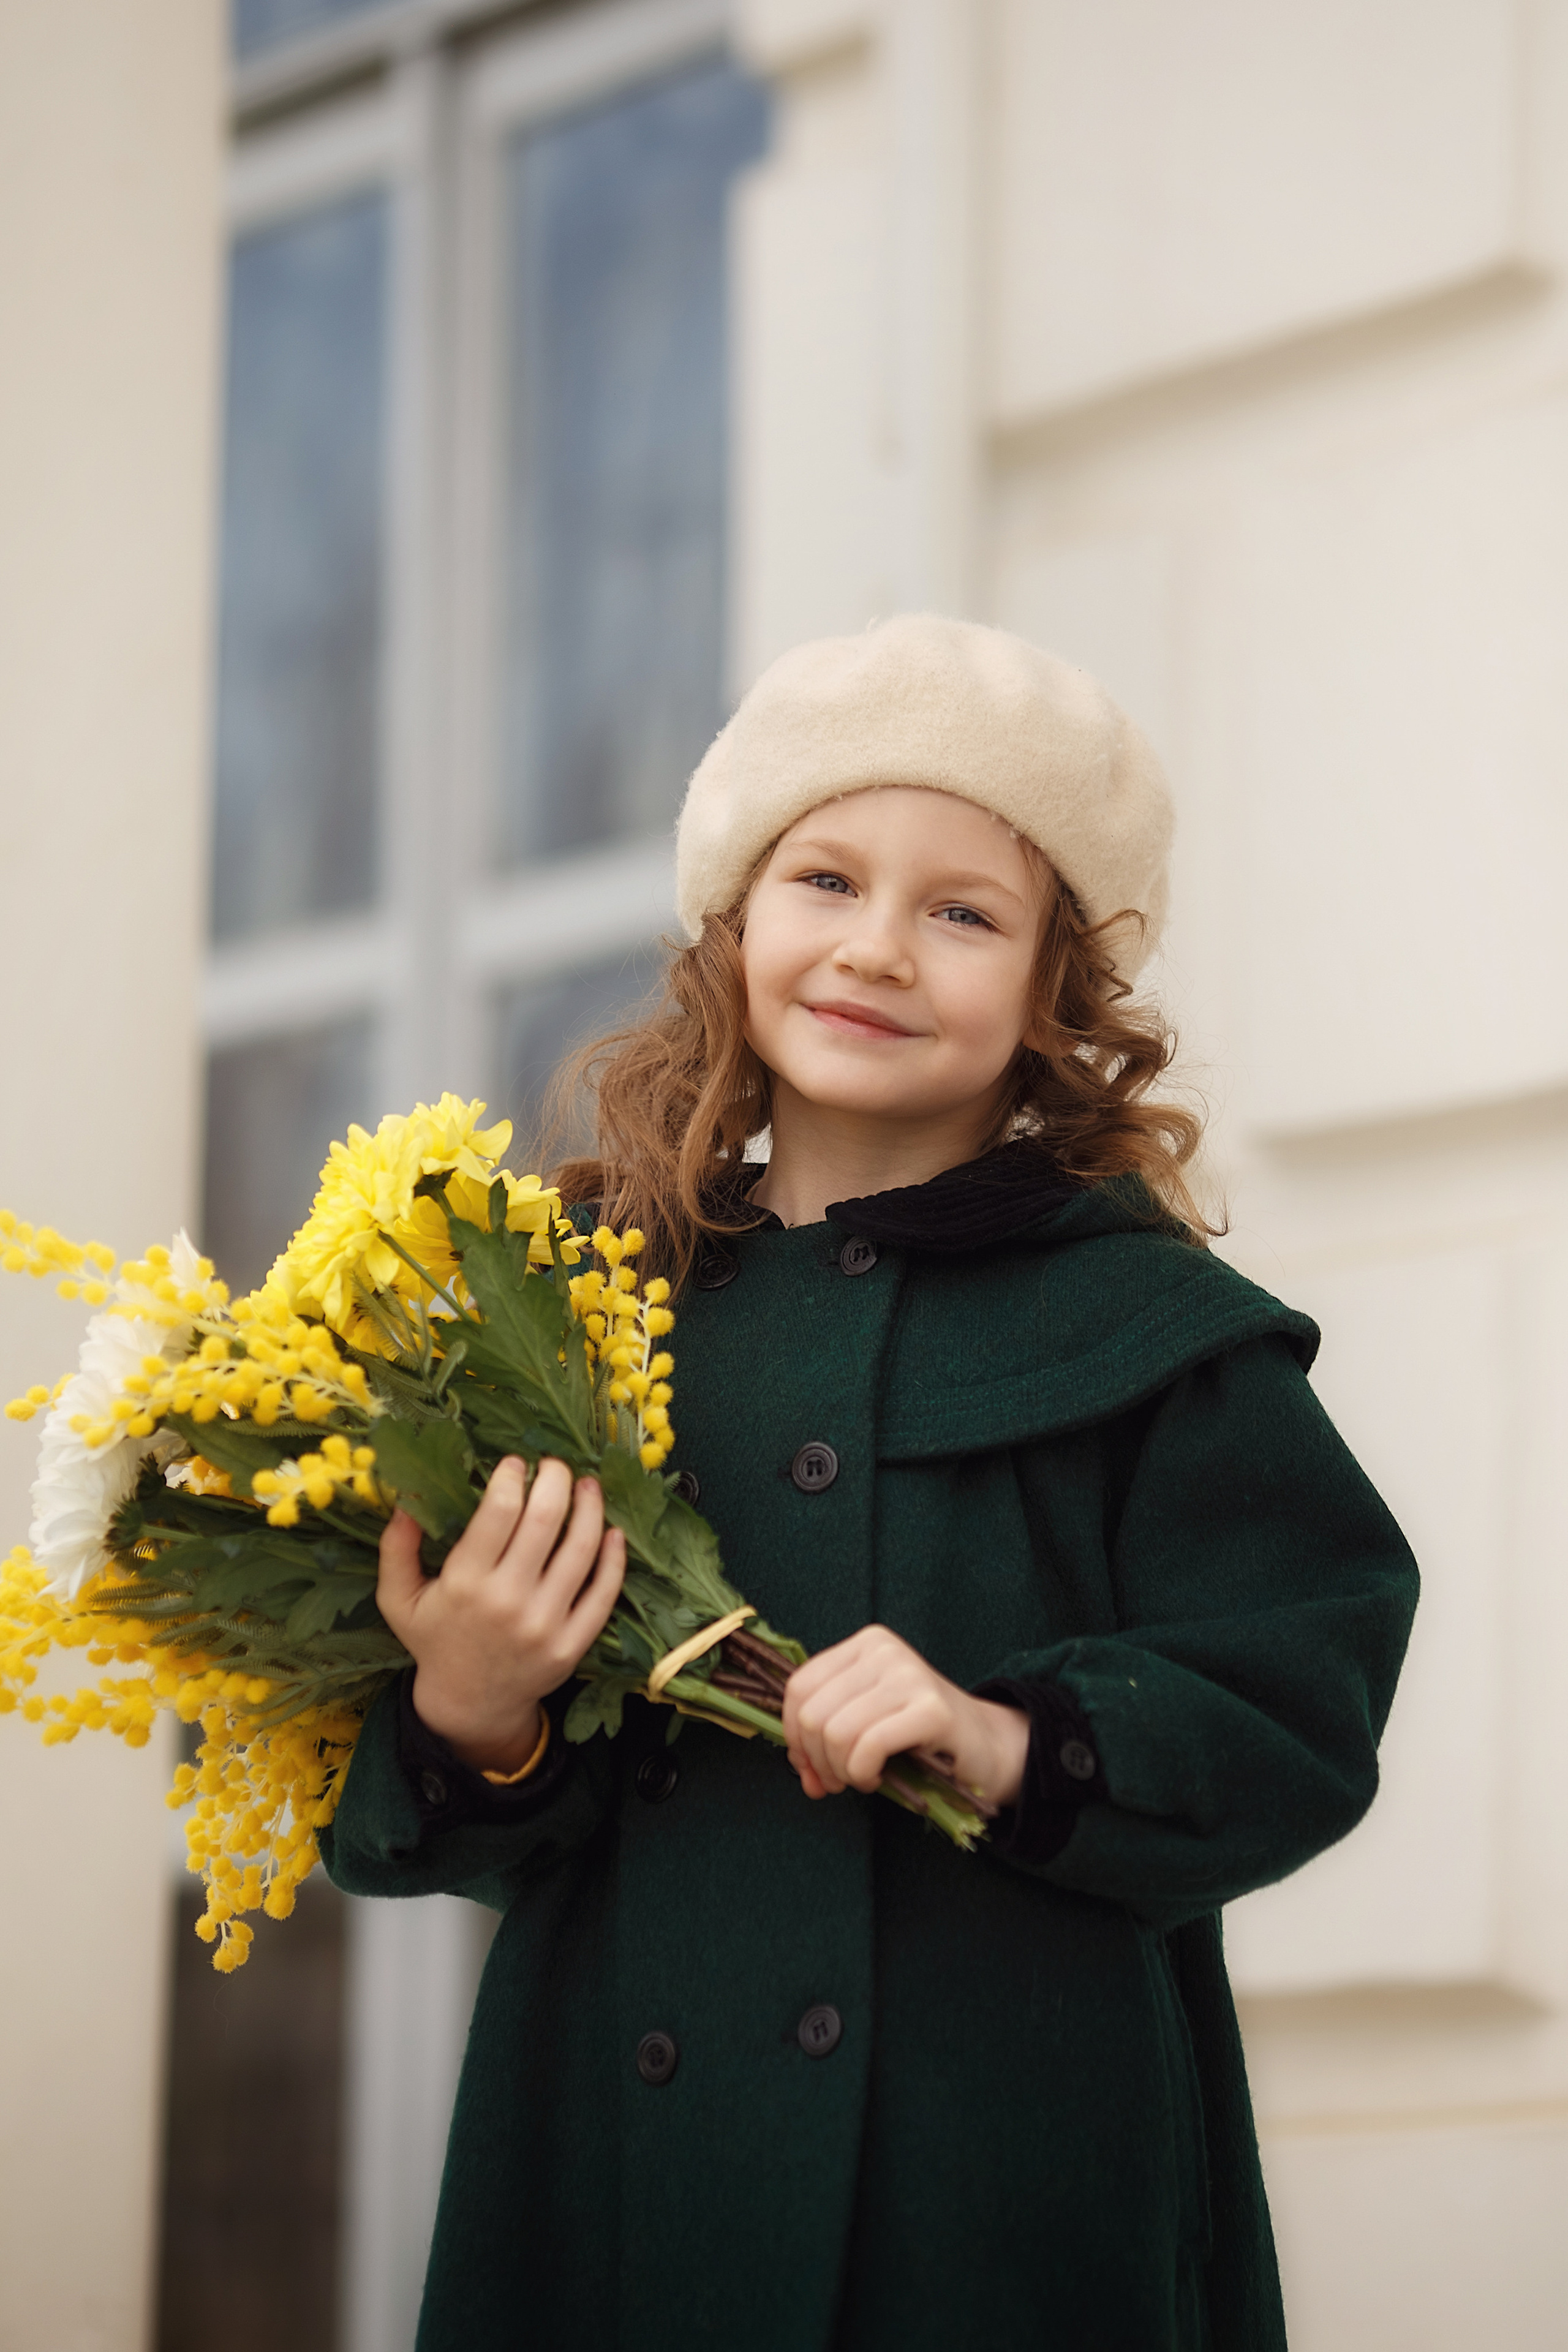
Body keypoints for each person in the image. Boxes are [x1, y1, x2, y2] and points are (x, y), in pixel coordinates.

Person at [323, 615, 1419, 2351]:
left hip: (997, 2180)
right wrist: (472, 1709)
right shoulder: (585, 1318)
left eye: (965, 911)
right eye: (826, 878)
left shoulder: (1148, 1324)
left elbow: (1307, 1691)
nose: (880, 949)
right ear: (735, 923)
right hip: (618, 2170)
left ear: (1058, 991)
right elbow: (414, 1830)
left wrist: (1006, 1736)